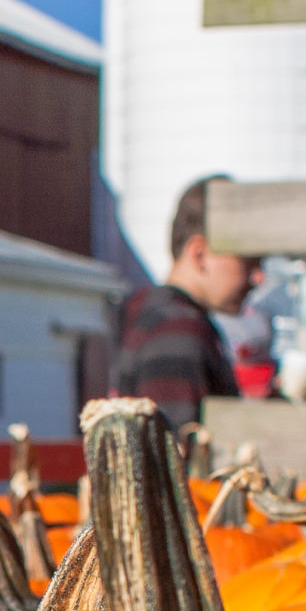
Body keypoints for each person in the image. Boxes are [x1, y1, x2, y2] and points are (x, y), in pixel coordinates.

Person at [112, 175, 265, 431]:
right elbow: (178, 455)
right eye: (248, 261)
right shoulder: (176, 328)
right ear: (200, 254)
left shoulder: (148, 313)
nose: (259, 277)